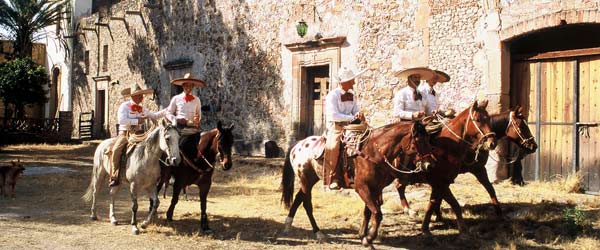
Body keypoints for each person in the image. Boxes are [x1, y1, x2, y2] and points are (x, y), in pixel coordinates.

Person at [108, 84, 165, 187]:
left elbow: (155, 116)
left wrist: (168, 110)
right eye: (138, 95)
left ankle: (153, 173)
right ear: (132, 96)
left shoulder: (142, 108)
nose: (141, 97)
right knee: (116, 150)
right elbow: (121, 120)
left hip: (140, 134)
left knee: (155, 148)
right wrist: (137, 120)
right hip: (125, 134)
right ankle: (114, 175)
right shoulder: (124, 106)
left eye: (141, 95)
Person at [323, 66, 366, 190]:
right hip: (336, 126)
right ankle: (333, 177)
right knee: (333, 146)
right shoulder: (332, 95)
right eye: (352, 80)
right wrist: (351, 118)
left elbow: (355, 110)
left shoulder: (352, 95)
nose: (354, 82)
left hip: (352, 126)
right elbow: (333, 115)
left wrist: (359, 114)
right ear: (344, 82)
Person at [165, 73, 206, 146]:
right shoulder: (176, 98)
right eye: (186, 85)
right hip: (179, 128)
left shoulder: (197, 100)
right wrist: (176, 119)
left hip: (193, 128)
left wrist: (197, 119)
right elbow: (168, 113)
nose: (188, 87)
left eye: (191, 85)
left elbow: (199, 115)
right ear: (183, 86)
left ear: (193, 86)